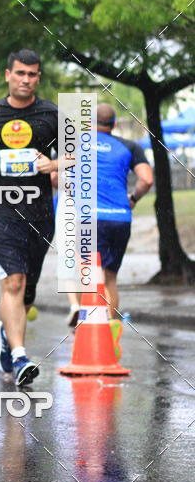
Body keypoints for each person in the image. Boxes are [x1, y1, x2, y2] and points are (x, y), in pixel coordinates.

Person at [0, 49, 59, 387]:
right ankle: (20, 355)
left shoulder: (51, 114)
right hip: (0, 209)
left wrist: (52, 165)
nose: (26, 79)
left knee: (28, 291)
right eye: (20, 73)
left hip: (40, 212)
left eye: (32, 74)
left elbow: (79, 156)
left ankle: (7, 334)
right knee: (14, 282)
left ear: (38, 77)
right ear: (8, 75)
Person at [73, 103, 152, 321]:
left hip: (88, 218)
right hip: (119, 218)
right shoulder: (130, 147)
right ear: (114, 124)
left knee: (87, 275)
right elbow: (147, 179)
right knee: (110, 278)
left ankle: (89, 328)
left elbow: (55, 178)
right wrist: (133, 199)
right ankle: (110, 328)